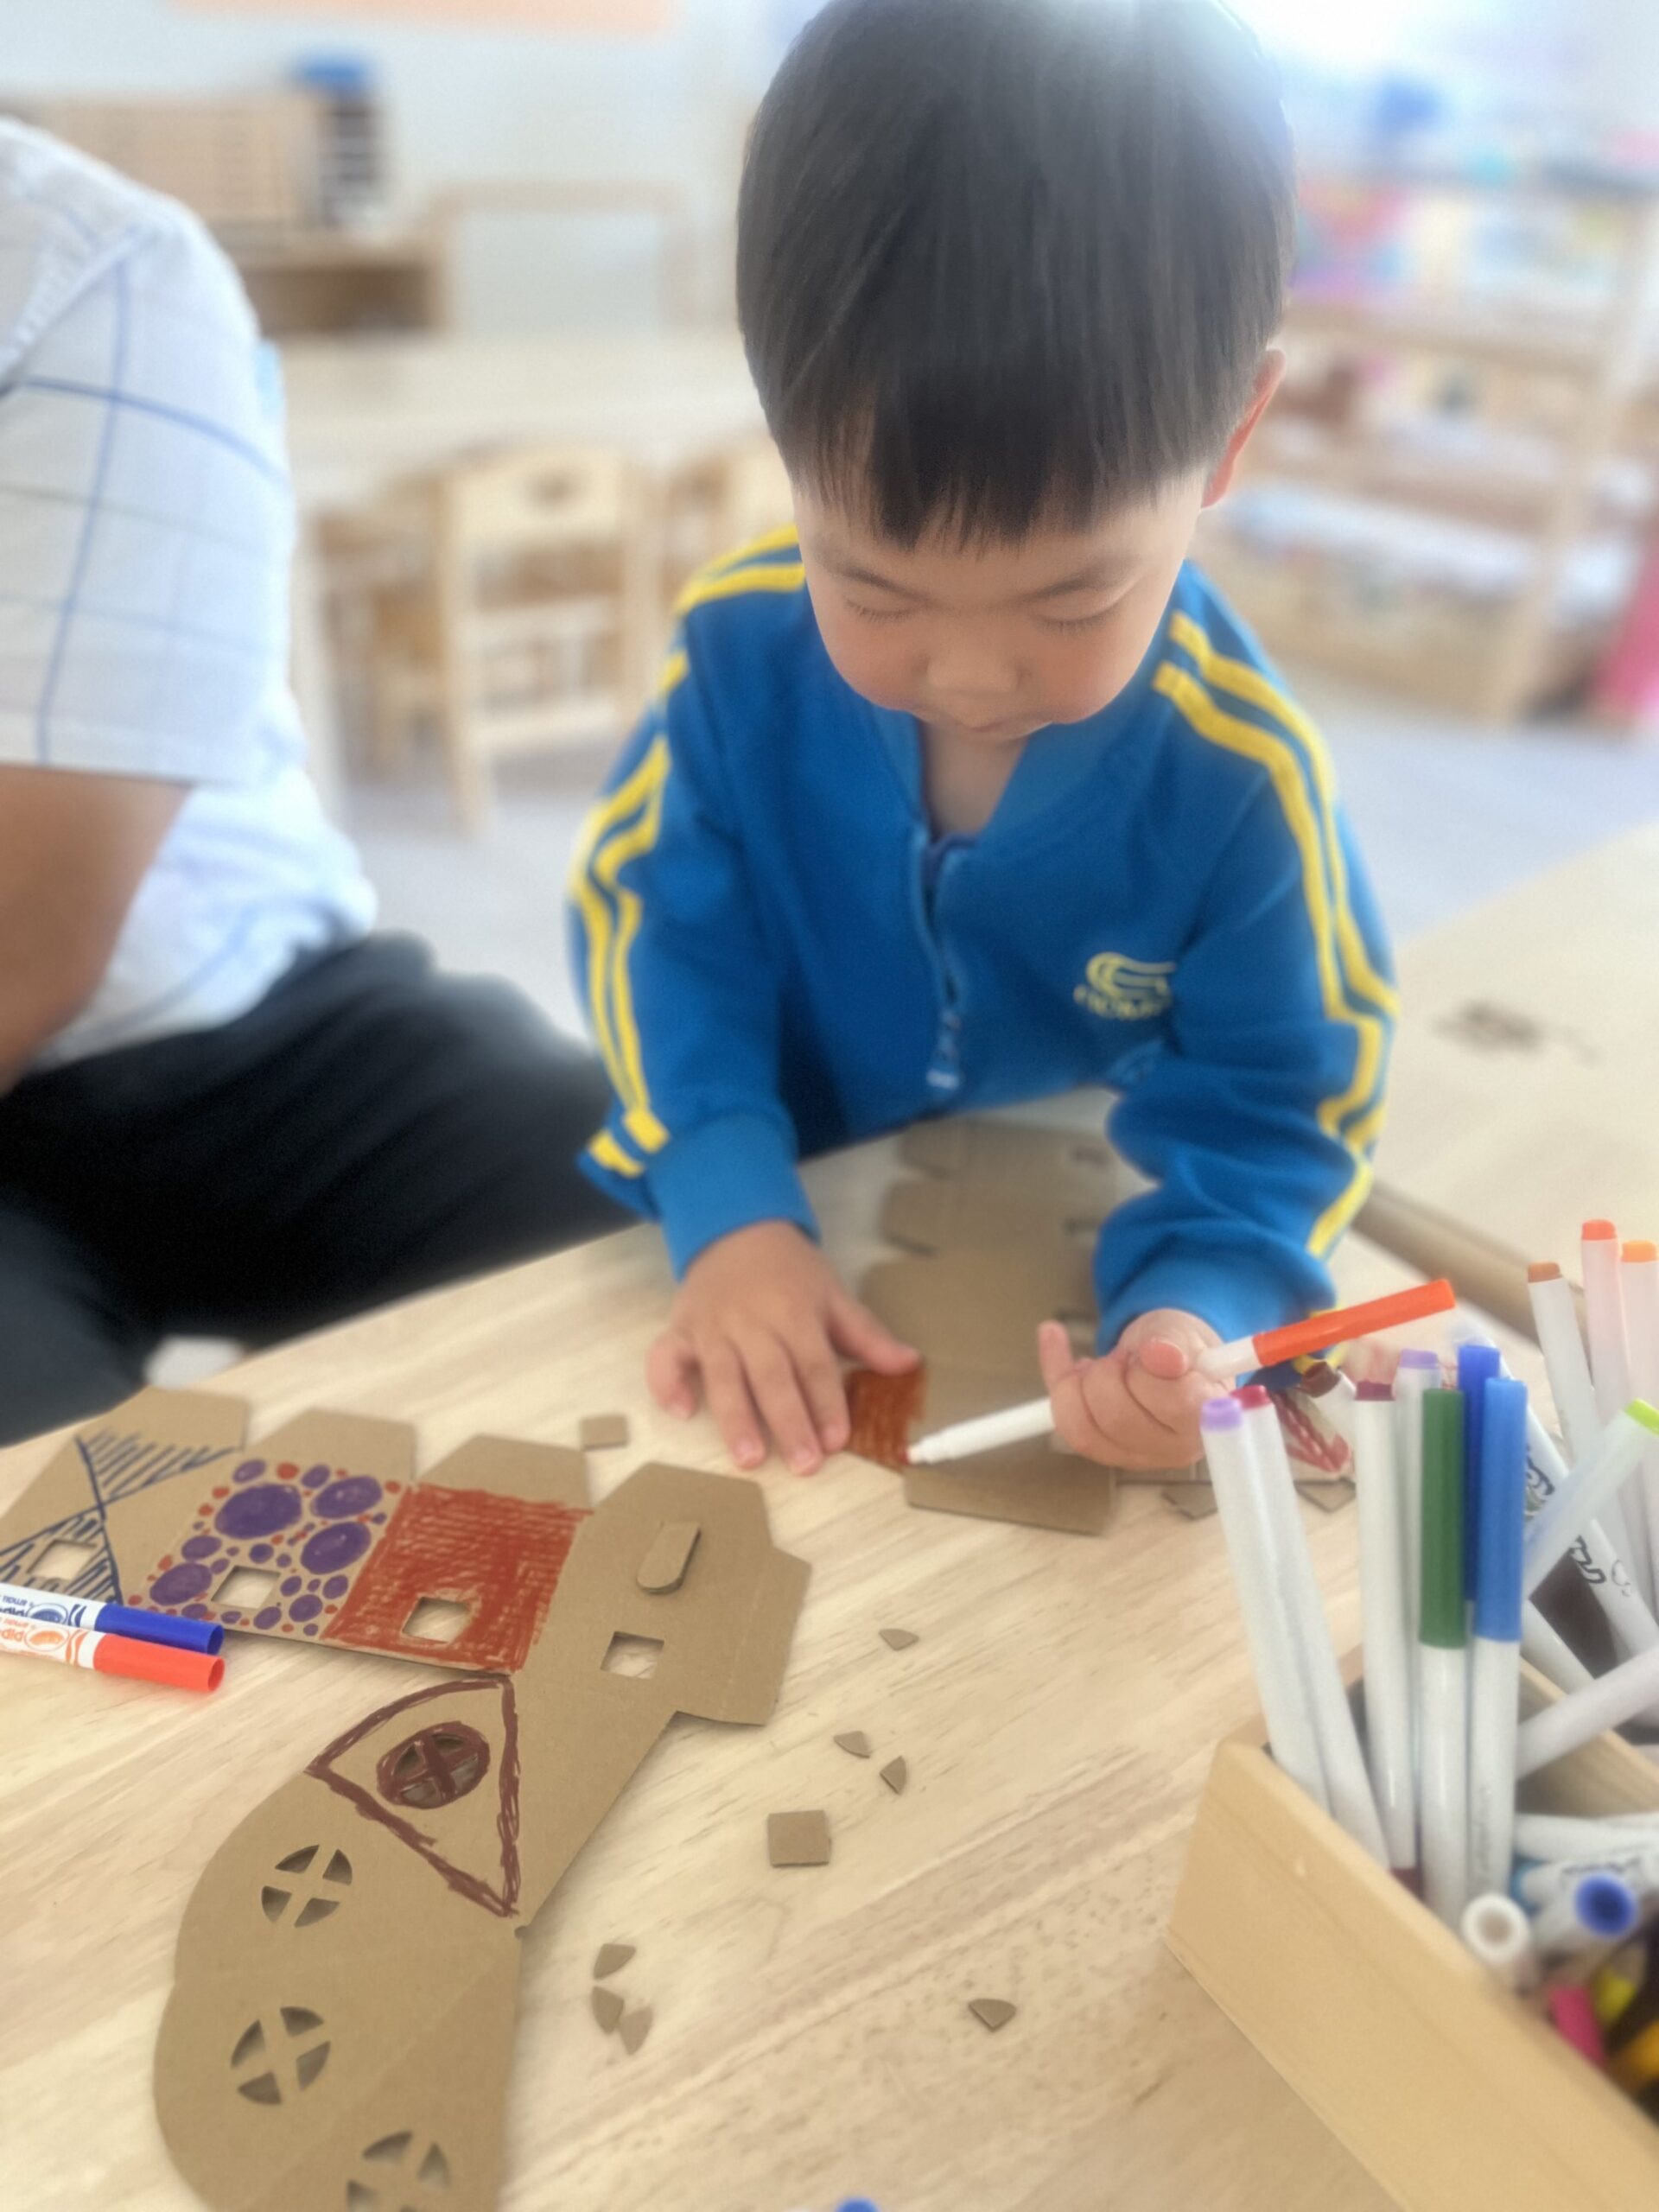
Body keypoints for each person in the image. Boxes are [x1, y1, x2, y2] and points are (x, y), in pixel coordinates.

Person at [568, 0, 1395, 1479]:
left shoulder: (1241, 777)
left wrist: (1203, 1312)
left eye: (1072, 596)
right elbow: (658, 931)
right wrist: (727, 1202)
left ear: (1231, 437)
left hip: (1048, 1245)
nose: (964, 676)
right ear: (782, 443)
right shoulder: (738, 655)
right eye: (872, 586)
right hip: (783, 1202)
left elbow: (1288, 1101)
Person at [0, 122, 620, 1449]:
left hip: (255, 1020)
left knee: (661, 1245)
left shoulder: (84, 265)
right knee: (64, 1536)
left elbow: (28, 939)